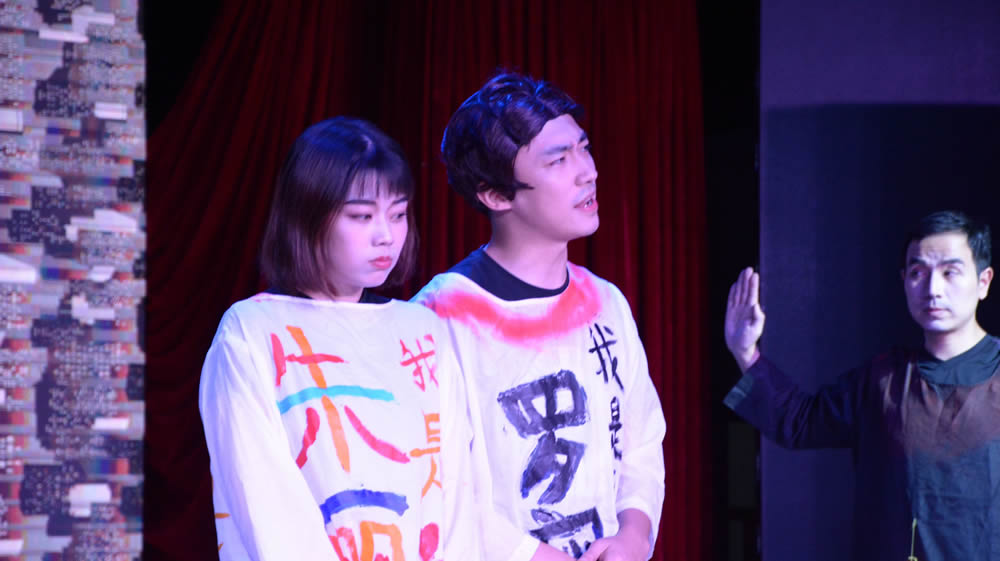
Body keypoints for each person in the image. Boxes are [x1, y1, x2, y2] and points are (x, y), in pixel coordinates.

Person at [199, 117, 478, 561]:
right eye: (362, 216)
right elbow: (265, 502)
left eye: (398, 214)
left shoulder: (423, 329)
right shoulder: (250, 332)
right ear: (309, 217)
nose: (386, 235)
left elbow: (458, 493)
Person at [413, 73, 666, 561]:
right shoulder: (438, 318)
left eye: (583, 148)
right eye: (558, 160)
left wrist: (634, 534)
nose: (587, 172)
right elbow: (437, 485)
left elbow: (641, 440)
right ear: (495, 194)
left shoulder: (605, 302)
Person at [723, 210, 1000, 560]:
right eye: (918, 273)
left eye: (950, 272)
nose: (933, 289)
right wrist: (745, 352)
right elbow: (800, 421)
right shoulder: (883, 380)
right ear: (903, 280)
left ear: (983, 281)